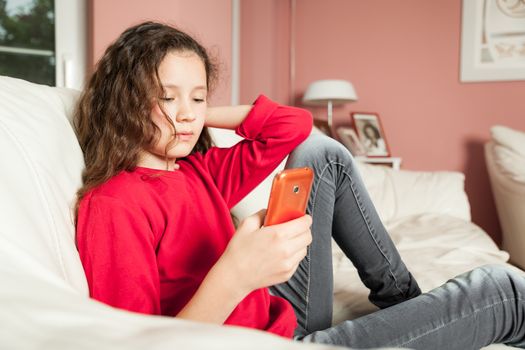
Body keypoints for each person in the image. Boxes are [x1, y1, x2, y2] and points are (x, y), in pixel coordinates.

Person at [74, 21, 525, 350]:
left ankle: (400, 300)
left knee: (322, 154)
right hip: (256, 343)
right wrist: (235, 276)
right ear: (126, 102)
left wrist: (194, 115)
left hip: (279, 314)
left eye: (198, 95)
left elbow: (294, 127)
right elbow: (138, 345)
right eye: (168, 97)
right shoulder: (115, 205)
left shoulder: (197, 170)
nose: (188, 111)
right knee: (505, 290)